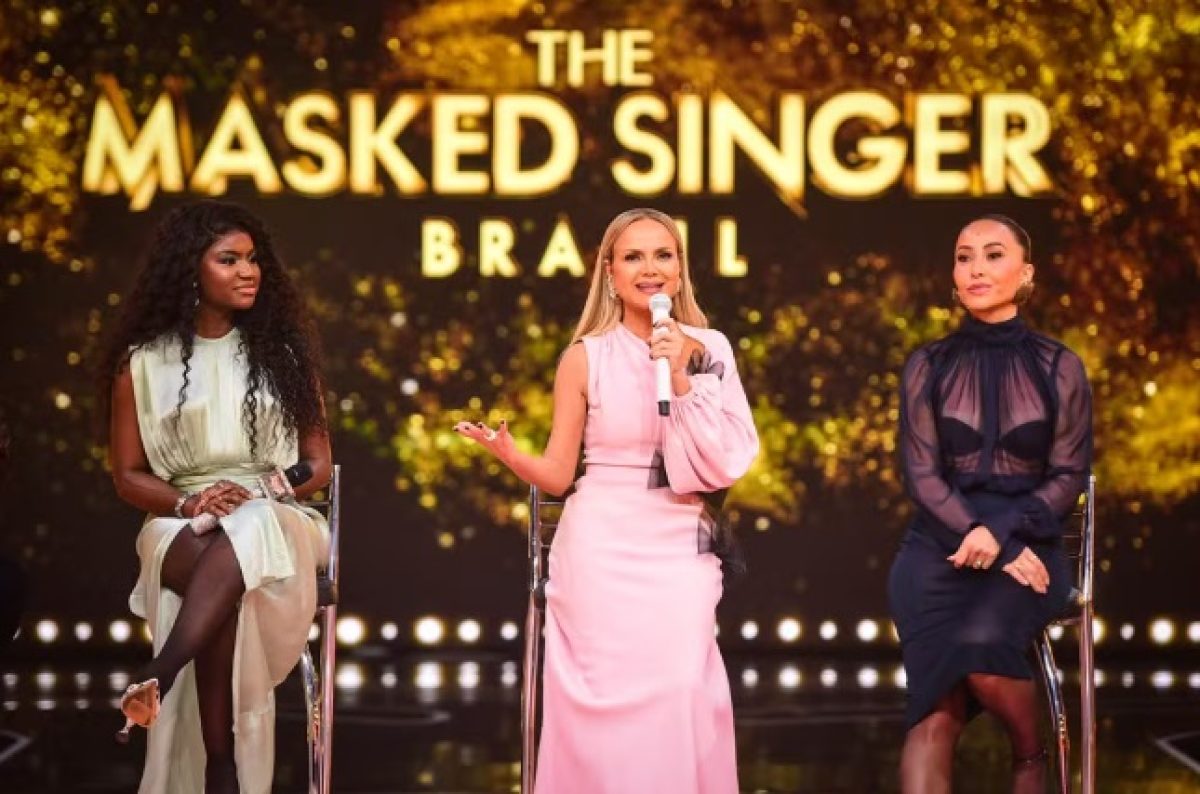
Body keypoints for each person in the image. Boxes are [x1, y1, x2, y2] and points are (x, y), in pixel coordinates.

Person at [456, 208, 759, 793]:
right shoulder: (584, 356)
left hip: (678, 541)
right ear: (610, 273)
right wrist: (510, 455)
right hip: (599, 546)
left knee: (679, 686)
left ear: (680, 270)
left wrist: (683, 375)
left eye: (663, 255)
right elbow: (558, 474)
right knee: (599, 705)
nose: (650, 268)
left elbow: (724, 461)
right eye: (633, 256)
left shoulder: (710, 348)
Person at [98, 200, 331, 794]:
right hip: (180, 520)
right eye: (229, 260)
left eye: (253, 259)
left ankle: (163, 671)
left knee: (247, 528)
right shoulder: (140, 364)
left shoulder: (284, 357)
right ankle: (221, 765)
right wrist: (190, 504)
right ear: (190, 269)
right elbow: (128, 476)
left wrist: (254, 493)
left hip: (279, 519)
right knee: (215, 568)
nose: (248, 271)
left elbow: (317, 466)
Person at [888, 215, 1093, 793]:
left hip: (1029, 546)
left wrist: (1000, 535)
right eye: (964, 257)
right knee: (934, 710)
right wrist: (979, 536)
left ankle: (1030, 756)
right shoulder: (928, 364)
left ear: (1025, 273)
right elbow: (921, 475)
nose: (976, 268)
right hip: (939, 548)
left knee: (980, 650)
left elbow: (1068, 475)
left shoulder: (1059, 366)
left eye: (993, 254)